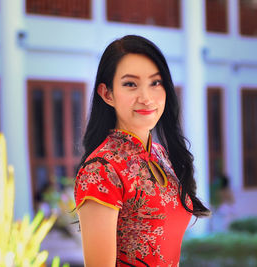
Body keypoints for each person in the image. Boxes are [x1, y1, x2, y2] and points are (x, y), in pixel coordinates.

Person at [74, 35, 210, 267]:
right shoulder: (101, 170)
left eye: (155, 83)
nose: (146, 98)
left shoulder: (160, 155)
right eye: (130, 84)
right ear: (107, 94)